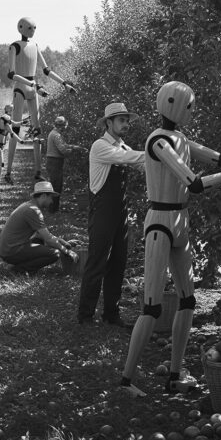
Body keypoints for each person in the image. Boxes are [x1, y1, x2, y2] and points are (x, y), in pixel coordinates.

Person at [120, 81, 221, 398]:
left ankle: (174, 376)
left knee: (187, 301)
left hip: (179, 221)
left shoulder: (181, 139)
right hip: (161, 221)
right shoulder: (159, 142)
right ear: (174, 104)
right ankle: (126, 381)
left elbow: (220, 158)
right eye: (189, 106)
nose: (193, 111)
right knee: (151, 306)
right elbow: (194, 183)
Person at [77, 103, 145, 329]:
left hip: (121, 212)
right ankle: (85, 315)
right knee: (97, 262)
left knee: (118, 263)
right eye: (121, 120)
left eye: (127, 120)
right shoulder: (100, 146)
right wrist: (159, 150)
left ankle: (111, 314)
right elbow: (134, 159)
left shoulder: (123, 146)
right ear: (108, 123)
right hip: (103, 211)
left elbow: (140, 162)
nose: (126, 124)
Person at [4, 17, 77, 184]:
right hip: (21, 87)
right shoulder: (14, 46)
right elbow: (11, 74)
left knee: (37, 130)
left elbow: (46, 70)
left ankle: (38, 172)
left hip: (33, 87)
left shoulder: (35, 46)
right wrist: (29, 82)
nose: (32, 30)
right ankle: (8, 172)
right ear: (21, 28)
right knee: (15, 128)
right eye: (29, 27)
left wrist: (64, 83)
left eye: (34, 27)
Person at [0, 181, 78, 273]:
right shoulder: (33, 210)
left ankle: (18, 265)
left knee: (39, 241)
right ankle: (18, 270)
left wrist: (63, 243)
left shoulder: (29, 206)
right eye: (50, 197)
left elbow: (42, 236)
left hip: (8, 249)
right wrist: (67, 252)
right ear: (43, 195)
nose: (52, 201)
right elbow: (48, 239)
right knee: (55, 254)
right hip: (10, 251)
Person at [45, 115, 86, 213]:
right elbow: (63, 150)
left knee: (55, 185)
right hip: (55, 162)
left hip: (52, 161)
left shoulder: (55, 133)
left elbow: (64, 145)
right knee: (56, 186)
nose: (65, 128)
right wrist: (73, 151)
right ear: (62, 126)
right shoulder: (56, 135)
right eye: (64, 126)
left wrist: (76, 147)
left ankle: (53, 208)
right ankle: (53, 209)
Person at [0, 104, 30, 192]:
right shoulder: (6, 119)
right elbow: (12, 133)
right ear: (10, 111)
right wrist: (21, 141)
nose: (13, 112)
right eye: (12, 110)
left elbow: (15, 123)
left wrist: (24, 121)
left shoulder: (5, 118)